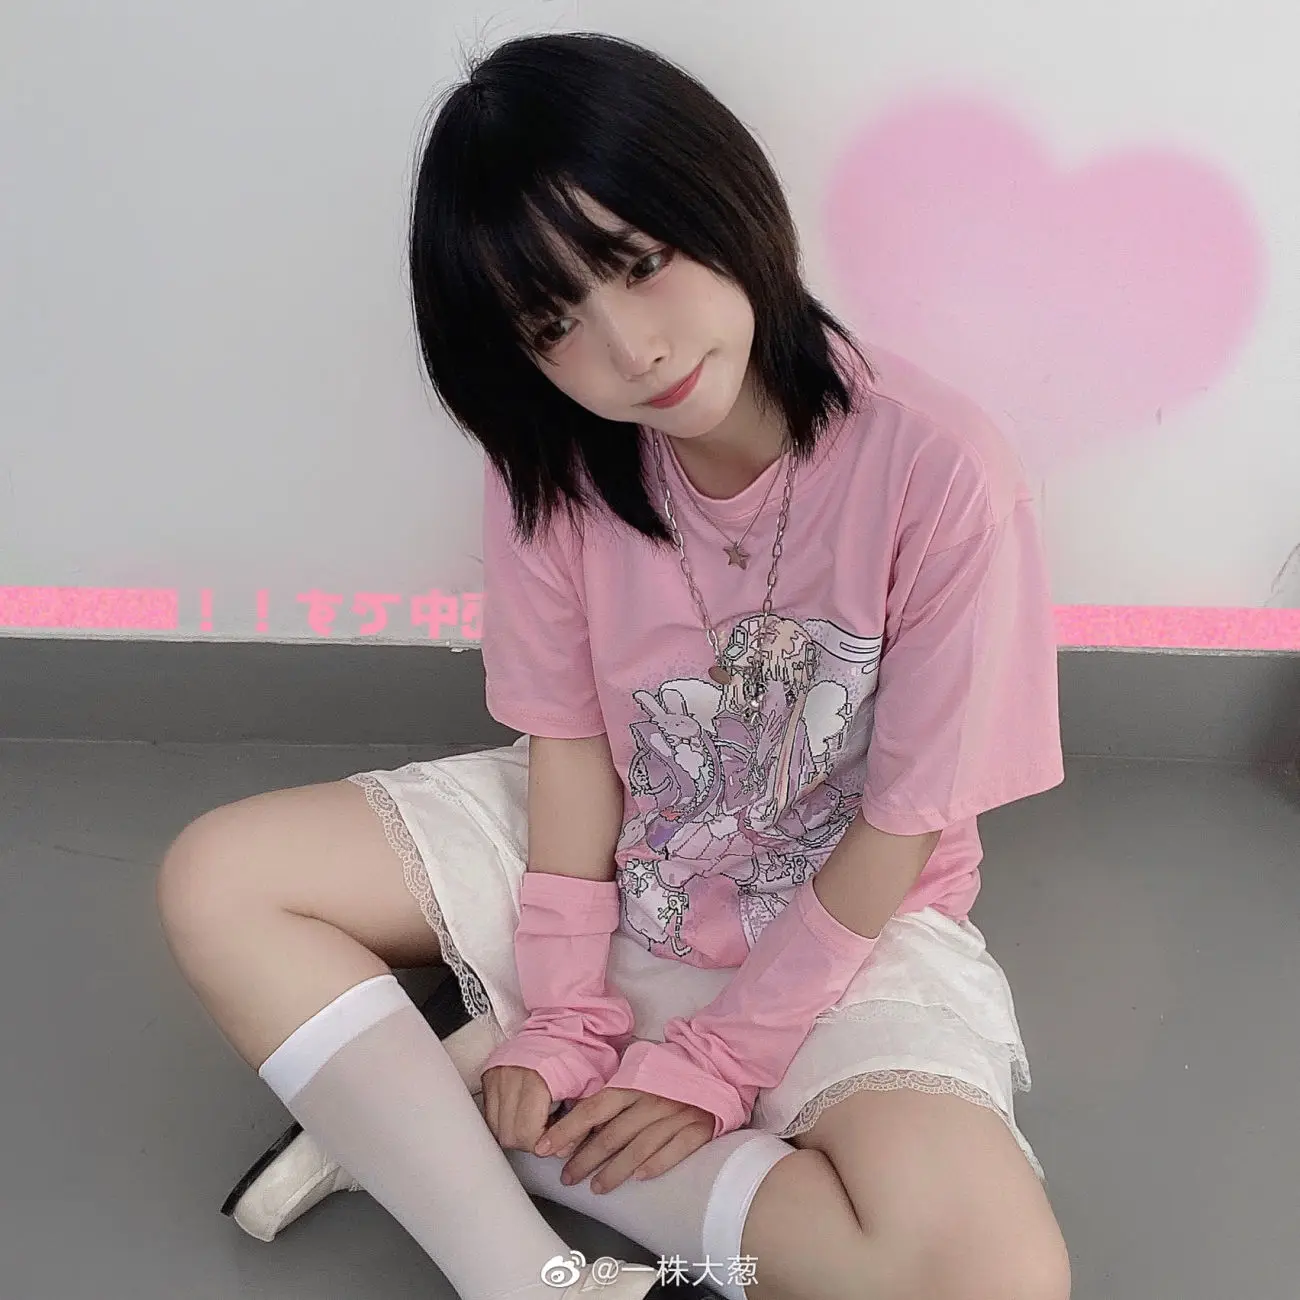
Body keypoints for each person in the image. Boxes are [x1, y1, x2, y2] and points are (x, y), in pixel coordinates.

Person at [157, 31, 1072, 1300]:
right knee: (220, 877)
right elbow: (575, 748)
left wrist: (722, 1058)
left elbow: (900, 824)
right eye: (554, 324)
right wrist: (566, 1008)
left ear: (723, 197)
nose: (631, 349)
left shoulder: (939, 472)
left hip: (839, 903)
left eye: (640, 262)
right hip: (611, 834)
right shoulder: (552, 469)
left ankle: (423, 1117)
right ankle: (524, 1271)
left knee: (990, 1278)